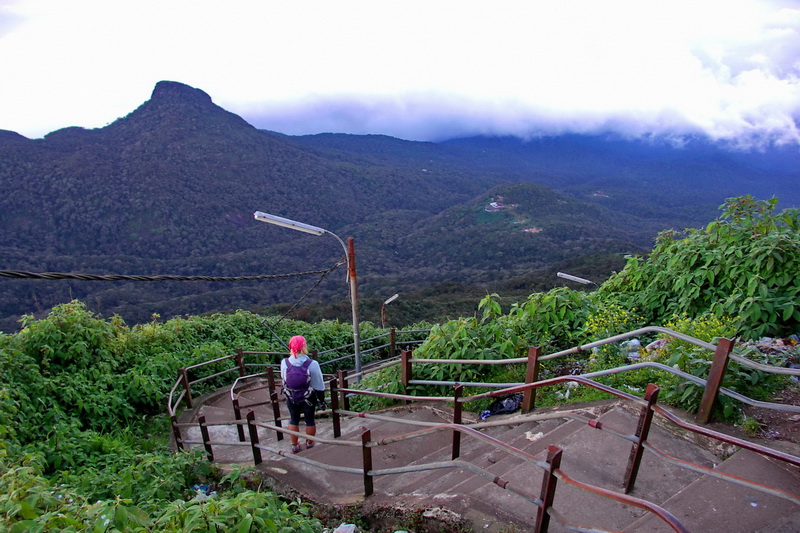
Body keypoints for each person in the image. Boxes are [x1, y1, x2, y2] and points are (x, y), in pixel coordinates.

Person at [280, 335, 325, 453]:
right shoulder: (312, 363)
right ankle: (310, 443)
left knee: (293, 419)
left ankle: (294, 445)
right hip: (308, 397)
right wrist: (321, 400)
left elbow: (283, 379)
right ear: (304, 347)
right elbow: (319, 385)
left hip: (291, 396)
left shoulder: (284, 363)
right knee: (309, 420)